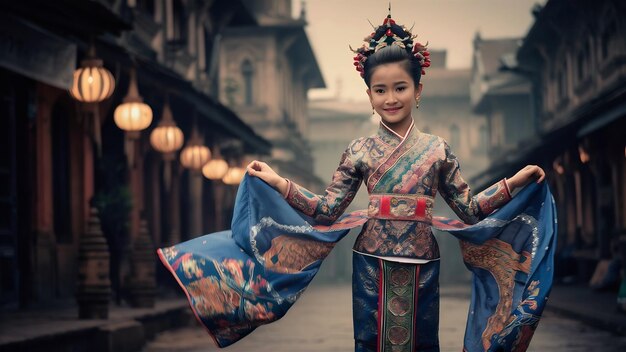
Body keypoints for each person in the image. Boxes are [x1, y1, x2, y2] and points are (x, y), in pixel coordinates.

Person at [245, 10, 545, 352]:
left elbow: (471, 210)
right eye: (380, 90)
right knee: (370, 342)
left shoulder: (437, 150)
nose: (391, 98)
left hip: (423, 263)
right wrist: (277, 180)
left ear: (418, 89)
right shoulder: (358, 150)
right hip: (371, 263)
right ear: (370, 97)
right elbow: (326, 210)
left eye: (400, 87)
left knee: (422, 343)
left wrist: (516, 181)